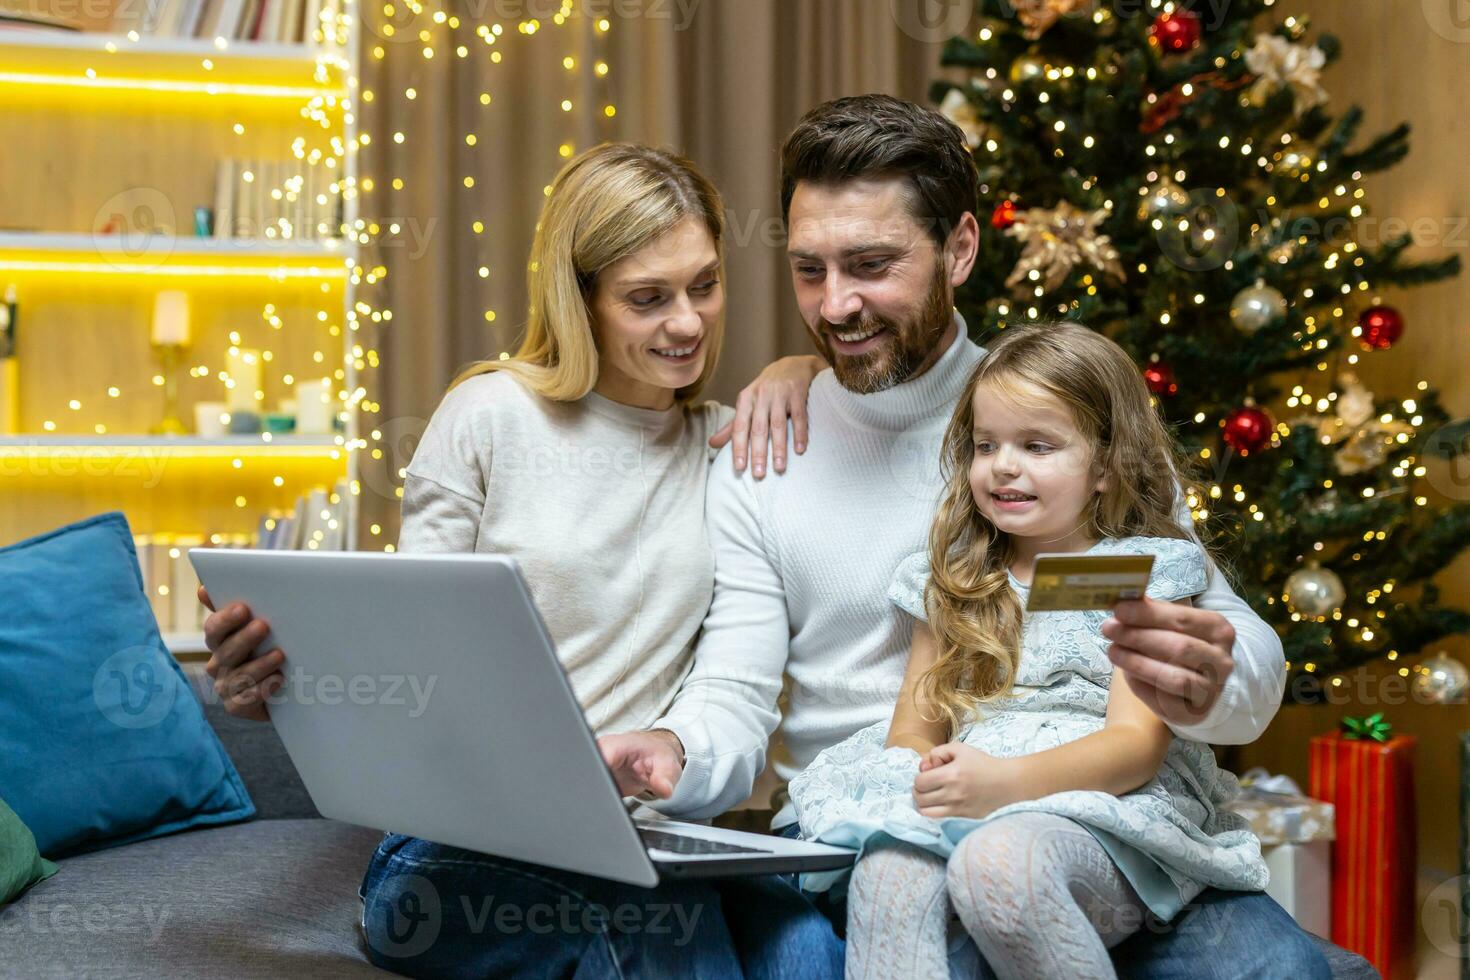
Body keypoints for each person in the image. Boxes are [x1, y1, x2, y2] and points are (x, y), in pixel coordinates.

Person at [600, 94, 1329, 978]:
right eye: (809, 270)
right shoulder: (765, 449)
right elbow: (737, 690)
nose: (836, 307)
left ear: (961, 249)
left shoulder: (1066, 414)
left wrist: (1210, 679)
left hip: (1086, 813)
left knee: (1279, 971)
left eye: (871, 264)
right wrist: (678, 751)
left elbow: (1229, 641)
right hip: (873, 820)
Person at [199, 141, 838, 978]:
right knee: (659, 946)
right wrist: (285, 695)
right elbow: (401, 661)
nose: (688, 322)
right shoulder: (489, 417)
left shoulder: (725, 447)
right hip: (456, 848)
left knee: (806, 951)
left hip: (643, 835)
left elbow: (736, 687)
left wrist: (802, 369)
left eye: (705, 285)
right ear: (582, 300)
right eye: (648, 298)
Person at [787, 322, 1271, 979]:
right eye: (987, 445)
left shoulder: (1138, 572)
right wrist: (922, 783)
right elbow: (914, 726)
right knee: (888, 870)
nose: (1003, 466)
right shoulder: (951, 579)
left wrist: (1003, 785)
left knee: (1001, 868)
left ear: (1105, 467)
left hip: (1101, 802)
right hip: (973, 789)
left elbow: (1136, 746)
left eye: (1037, 445)